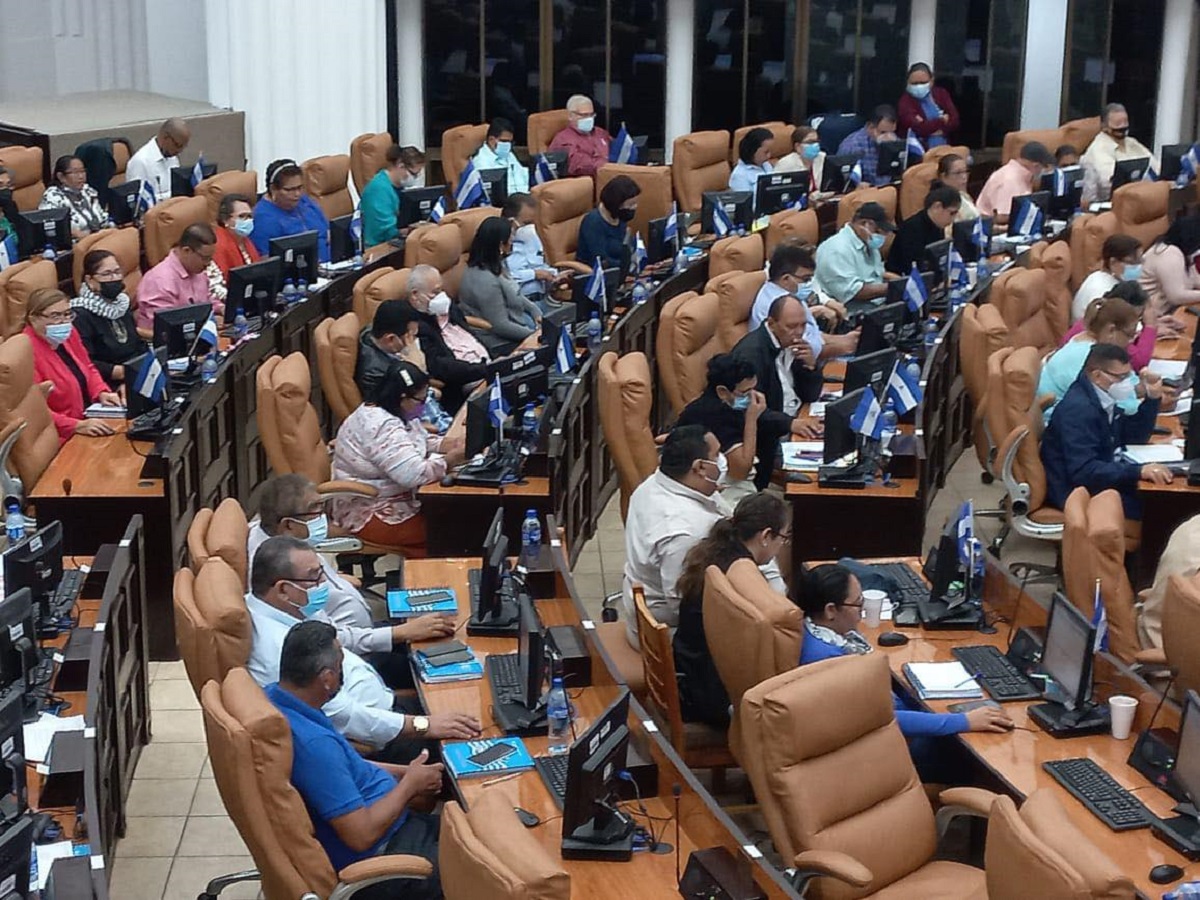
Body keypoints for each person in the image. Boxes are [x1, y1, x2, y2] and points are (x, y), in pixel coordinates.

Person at [248, 536, 481, 758]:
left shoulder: (291, 607)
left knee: (470, 699)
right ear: (282, 589)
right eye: (315, 577)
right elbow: (341, 715)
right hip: (383, 736)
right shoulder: (279, 649)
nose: (323, 585)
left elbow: (340, 638)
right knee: (476, 736)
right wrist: (424, 725)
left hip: (386, 707)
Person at [267, 621, 444, 898]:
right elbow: (361, 835)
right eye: (341, 666)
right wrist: (409, 785)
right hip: (386, 860)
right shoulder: (314, 745)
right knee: (494, 870)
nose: (343, 674)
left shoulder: (278, 700)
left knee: (478, 829)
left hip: (396, 827)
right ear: (326, 679)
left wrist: (405, 773)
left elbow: (347, 766)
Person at [797, 563, 1013, 779]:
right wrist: (964, 721)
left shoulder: (824, 635)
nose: (861, 612)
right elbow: (881, 718)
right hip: (871, 753)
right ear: (831, 610)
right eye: (857, 604)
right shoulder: (826, 659)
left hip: (880, 730)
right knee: (971, 756)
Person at [248, 475, 455, 687]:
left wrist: (336, 580)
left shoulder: (285, 541)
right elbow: (328, 637)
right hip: (355, 655)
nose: (324, 519)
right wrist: (399, 634)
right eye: (316, 511)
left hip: (363, 637)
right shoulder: (275, 566)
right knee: (443, 667)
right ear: (289, 525)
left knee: (444, 627)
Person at [673, 493, 792, 728]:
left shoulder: (717, 552)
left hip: (689, 675)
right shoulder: (740, 575)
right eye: (783, 538)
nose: (782, 547)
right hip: (709, 697)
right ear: (766, 536)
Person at [332, 362, 466, 556]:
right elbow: (413, 475)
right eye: (421, 400)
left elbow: (414, 442)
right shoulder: (380, 426)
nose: (423, 406)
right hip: (370, 510)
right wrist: (450, 460)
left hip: (394, 498)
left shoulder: (395, 410)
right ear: (402, 397)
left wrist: (447, 445)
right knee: (449, 534)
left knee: (457, 518)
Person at [1041, 343, 1171, 520]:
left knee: (1165, 498)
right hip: (1075, 492)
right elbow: (1083, 471)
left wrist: (1152, 398)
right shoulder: (1079, 410)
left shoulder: (1102, 396)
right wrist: (1137, 472)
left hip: (1099, 479)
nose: (1128, 383)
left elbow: (1134, 436)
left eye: (1129, 375)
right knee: (1162, 509)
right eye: (1121, 377)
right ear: (1097, 375)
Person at [24, 287, 122, 444]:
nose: (63, 321)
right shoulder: (26, 353)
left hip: (90, 417)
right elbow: (36, 410)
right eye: (55, 316)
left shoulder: (69, 333)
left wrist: (102, 392)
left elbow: (88, 367)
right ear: (33, 318)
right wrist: (77, 425)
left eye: (67, 314)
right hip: (62, 434)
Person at [730, 294, 827, 437]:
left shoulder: (792, 343)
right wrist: (790, 423)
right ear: (771, 324)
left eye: (803, 325)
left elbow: (810, 395)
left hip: (798, 416)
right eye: (792, 326)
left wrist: (811, 368)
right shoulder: (750, 355)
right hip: (773, 434)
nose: (799, 332)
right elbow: (746, 410)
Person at [402, 265, 491, 413]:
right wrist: (484, 370)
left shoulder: (447, 307)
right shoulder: (415, 327)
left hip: (485, 364)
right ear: (415, 295)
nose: (441, 297)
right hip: (466, 382)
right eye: (435, 292)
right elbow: (442, 367)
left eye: (441, 290)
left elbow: (470, 336)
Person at [749, 242, 859, 357]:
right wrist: (845, 346)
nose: (809, 285)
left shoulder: (790, 296)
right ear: (786, 278)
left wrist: (846, 339)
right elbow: (801, 351)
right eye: (805, 280)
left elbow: (813, 335)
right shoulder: (777, 304)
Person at [1039, 295, 1141, 414]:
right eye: (1129, 335)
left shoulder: (1082, 339)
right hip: (1063, 424)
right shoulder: (1089, 357)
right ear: (1111, 330)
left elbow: (1132, 384)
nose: (1131, 341)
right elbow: (1127, 407)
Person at [458, 217, 542, 355]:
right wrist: (536, 335)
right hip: (499, 341)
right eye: (510, 237)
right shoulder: (484, 280)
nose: (513, 240)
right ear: (500, 245)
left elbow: (515, 293)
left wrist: (535, 311)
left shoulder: (497, 263)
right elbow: (500, 326)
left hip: (518, 324)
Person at [71, 249, 147, 389]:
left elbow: (137, 343)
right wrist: (121, 374)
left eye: (117, 272)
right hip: (106, 383)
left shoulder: (121, 304)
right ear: (90, 280)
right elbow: (86, 362)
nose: (115, 278)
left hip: (135, 374)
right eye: (107, 274)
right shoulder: (80, 314)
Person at [135, 222, 222, 337]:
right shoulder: (159, 280)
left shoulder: (198, 271)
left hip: (198, 335)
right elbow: (165, 328)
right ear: (187, 251)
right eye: (205, 258)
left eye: (210, 258)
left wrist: (221, 308)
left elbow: (206, 299)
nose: (208, 263)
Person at [1062, 281, 1168, 372]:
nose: (1137, 323)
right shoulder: (1106, 333)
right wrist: (1150, 326)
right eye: (1137, 317)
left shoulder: (1099, 318)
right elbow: (1138, 363)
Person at [811, 201, 897, 312]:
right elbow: (853, 292)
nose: (882, 237)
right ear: (865, 224)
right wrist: (893, 288)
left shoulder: (867, 243)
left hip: (877, 303)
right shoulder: (837, 249)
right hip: (852, 311)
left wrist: (899, 281)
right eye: (878, 231)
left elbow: (877, 274)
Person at [252, 158, 331, 263]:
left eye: (300, 187)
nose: (297, 194)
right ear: (273, 189)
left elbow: (328, 233)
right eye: (290, 190)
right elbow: (267, 261)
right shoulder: (263, 219)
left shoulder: (304, 200)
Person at [1081, 103, 1158, 207]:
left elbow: (1155, 165)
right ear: (1104, 126)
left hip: (1140, 197)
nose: (1123, 130)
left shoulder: (1131, 142)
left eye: (1125, 125)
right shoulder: (1098, 149)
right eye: (1118, 126)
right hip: (1111, 204)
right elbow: (1108, 182)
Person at [502, 193, 568, 304]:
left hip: (543, 298)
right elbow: (504, 278)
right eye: (526, 223)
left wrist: (554, 275)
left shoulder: (530, 235)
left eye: (532, 222)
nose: (530, 227)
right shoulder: (498, 243)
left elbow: (539, 265)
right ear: (511, 221)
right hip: (519, 303)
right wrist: (535, 274)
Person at [886, 184, 961, 276]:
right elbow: (913, 267)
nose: (953, 219)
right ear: (937, 207)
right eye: (952, 213)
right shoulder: (911, 229)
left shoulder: (938, 226)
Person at [975, 140, 1054, 226]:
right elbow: (1002, 217)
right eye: (1044, 167)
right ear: (1036, 166)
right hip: (992, 230)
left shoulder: (1023, 176)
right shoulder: (1010, 180)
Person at [359, 144, 422, 247]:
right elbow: (386, 231)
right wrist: (414, 230)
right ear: (400, 165)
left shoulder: (398, 187)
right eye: (413, 174)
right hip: (378, 248)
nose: (415, 178)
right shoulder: (379, 189)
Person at [1071, 233, 1142, 322]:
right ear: (1113, 262)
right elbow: (1106, 327)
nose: (1138, 267)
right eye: (1131, 262)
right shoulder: (1103, 290)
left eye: (1140, 261)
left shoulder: (1098, 276)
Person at [576, 175, 639, 269]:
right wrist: (628, 266)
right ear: (616, 204)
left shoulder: (619, 218)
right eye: (630, 204)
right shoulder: (593, 222)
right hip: (597, 276)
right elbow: (601, 262)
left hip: (622, 272)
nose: (635, 207)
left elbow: (628, 248)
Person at [38, 155, 107, 240]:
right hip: (75, 243)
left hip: (99, 237)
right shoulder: (53, 196)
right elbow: (50, 225)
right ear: (61, 177)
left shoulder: (87, 190)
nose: (81, 176)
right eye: (75, 173)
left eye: (83, 171)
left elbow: (102, 216)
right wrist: (77, 234)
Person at [1141, 215, 1200, 311]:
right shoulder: (1168, 253)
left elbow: (1194, 280)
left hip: (1173, 309)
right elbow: (1176, 297)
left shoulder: (1184, 251)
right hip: (1156, 313)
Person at [125, 118, 190, 206]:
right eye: (178, 145)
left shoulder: (172, 156)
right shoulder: (140, 162)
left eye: (183, 147)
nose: (180, 151)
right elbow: (139, 202)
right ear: (166, 137)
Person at [548, 94, 612, 178]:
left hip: (611, 174)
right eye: (584, 115)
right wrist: (606, 164)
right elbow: (579, 165)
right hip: (586, 181)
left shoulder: (600, 132)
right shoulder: (563, 140)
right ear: (570, 116)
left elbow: (615, 148)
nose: (589, 119)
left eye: (591, 115)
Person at [835, 105, 900, 187]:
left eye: (892, 132)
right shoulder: (851, 146)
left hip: (889, 190)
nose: (889, 138)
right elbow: (843, 183)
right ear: (870, 127)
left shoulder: (894, 142)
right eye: (883, 132)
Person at [897, 63, 959, 147]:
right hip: (918, 150)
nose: (919, 86)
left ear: (931, 80)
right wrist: (942, 121)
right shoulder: (905, 102)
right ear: (908, 82)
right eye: (914, 83)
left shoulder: (941, 94)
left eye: (923, 82)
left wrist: (939, 129)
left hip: (944, 146)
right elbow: (918, 128)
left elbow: (954, 120)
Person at [471, 117, 530, 195]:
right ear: (491, 140)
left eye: (510, 142)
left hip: (523, 197)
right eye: (504, 141)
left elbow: (522, 179)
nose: (508, 145)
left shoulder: (509, 155)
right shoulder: (481, 161)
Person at [211, 193, 260, 279]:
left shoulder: (244, 239)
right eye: (241, 216)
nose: (247, 220)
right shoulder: (219, 245)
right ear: (225, 219)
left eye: (249, 216)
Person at [773, 125, 826, 195]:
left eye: (816, 141)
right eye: (810, 142)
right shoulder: (785, 164)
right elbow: (778, 191)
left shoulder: (823, 157)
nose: (815, 145)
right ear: (797, 146)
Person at [729, 127, 774, 198]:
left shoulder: (766, 165)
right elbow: (746, 205)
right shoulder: (739, 175)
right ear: (753, 151)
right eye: (766, 152)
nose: (769, 156)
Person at [935, 154, 979, 222]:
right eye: (958, 173)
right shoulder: (942, 203)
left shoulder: (964, 195)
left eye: (966, 172)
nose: (964, 177)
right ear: (943, 177)